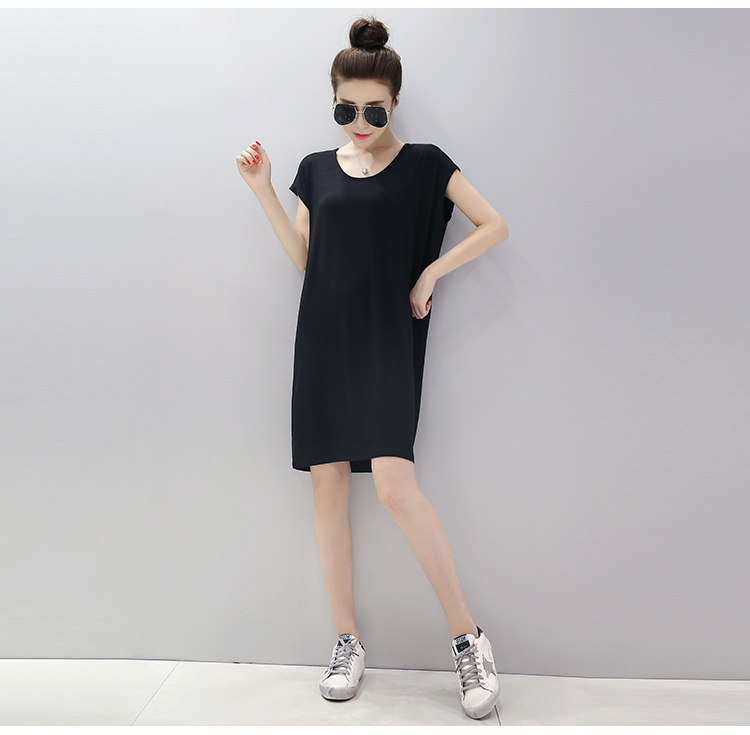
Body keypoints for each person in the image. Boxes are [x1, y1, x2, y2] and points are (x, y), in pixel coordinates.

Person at [236, 15, 509, 720]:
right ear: (333, 103)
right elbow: (305, 260)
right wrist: (265, 189)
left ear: (396, 102)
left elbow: (494, 225)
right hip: (323, 339)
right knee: (327, 488)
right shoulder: (315, 169)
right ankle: (346, 640)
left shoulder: (426, 164)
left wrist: (431, 273)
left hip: (387, 338)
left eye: (374, 110)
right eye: (345, 109)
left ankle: (469, 637)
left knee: (393, 485)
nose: (360, 123)